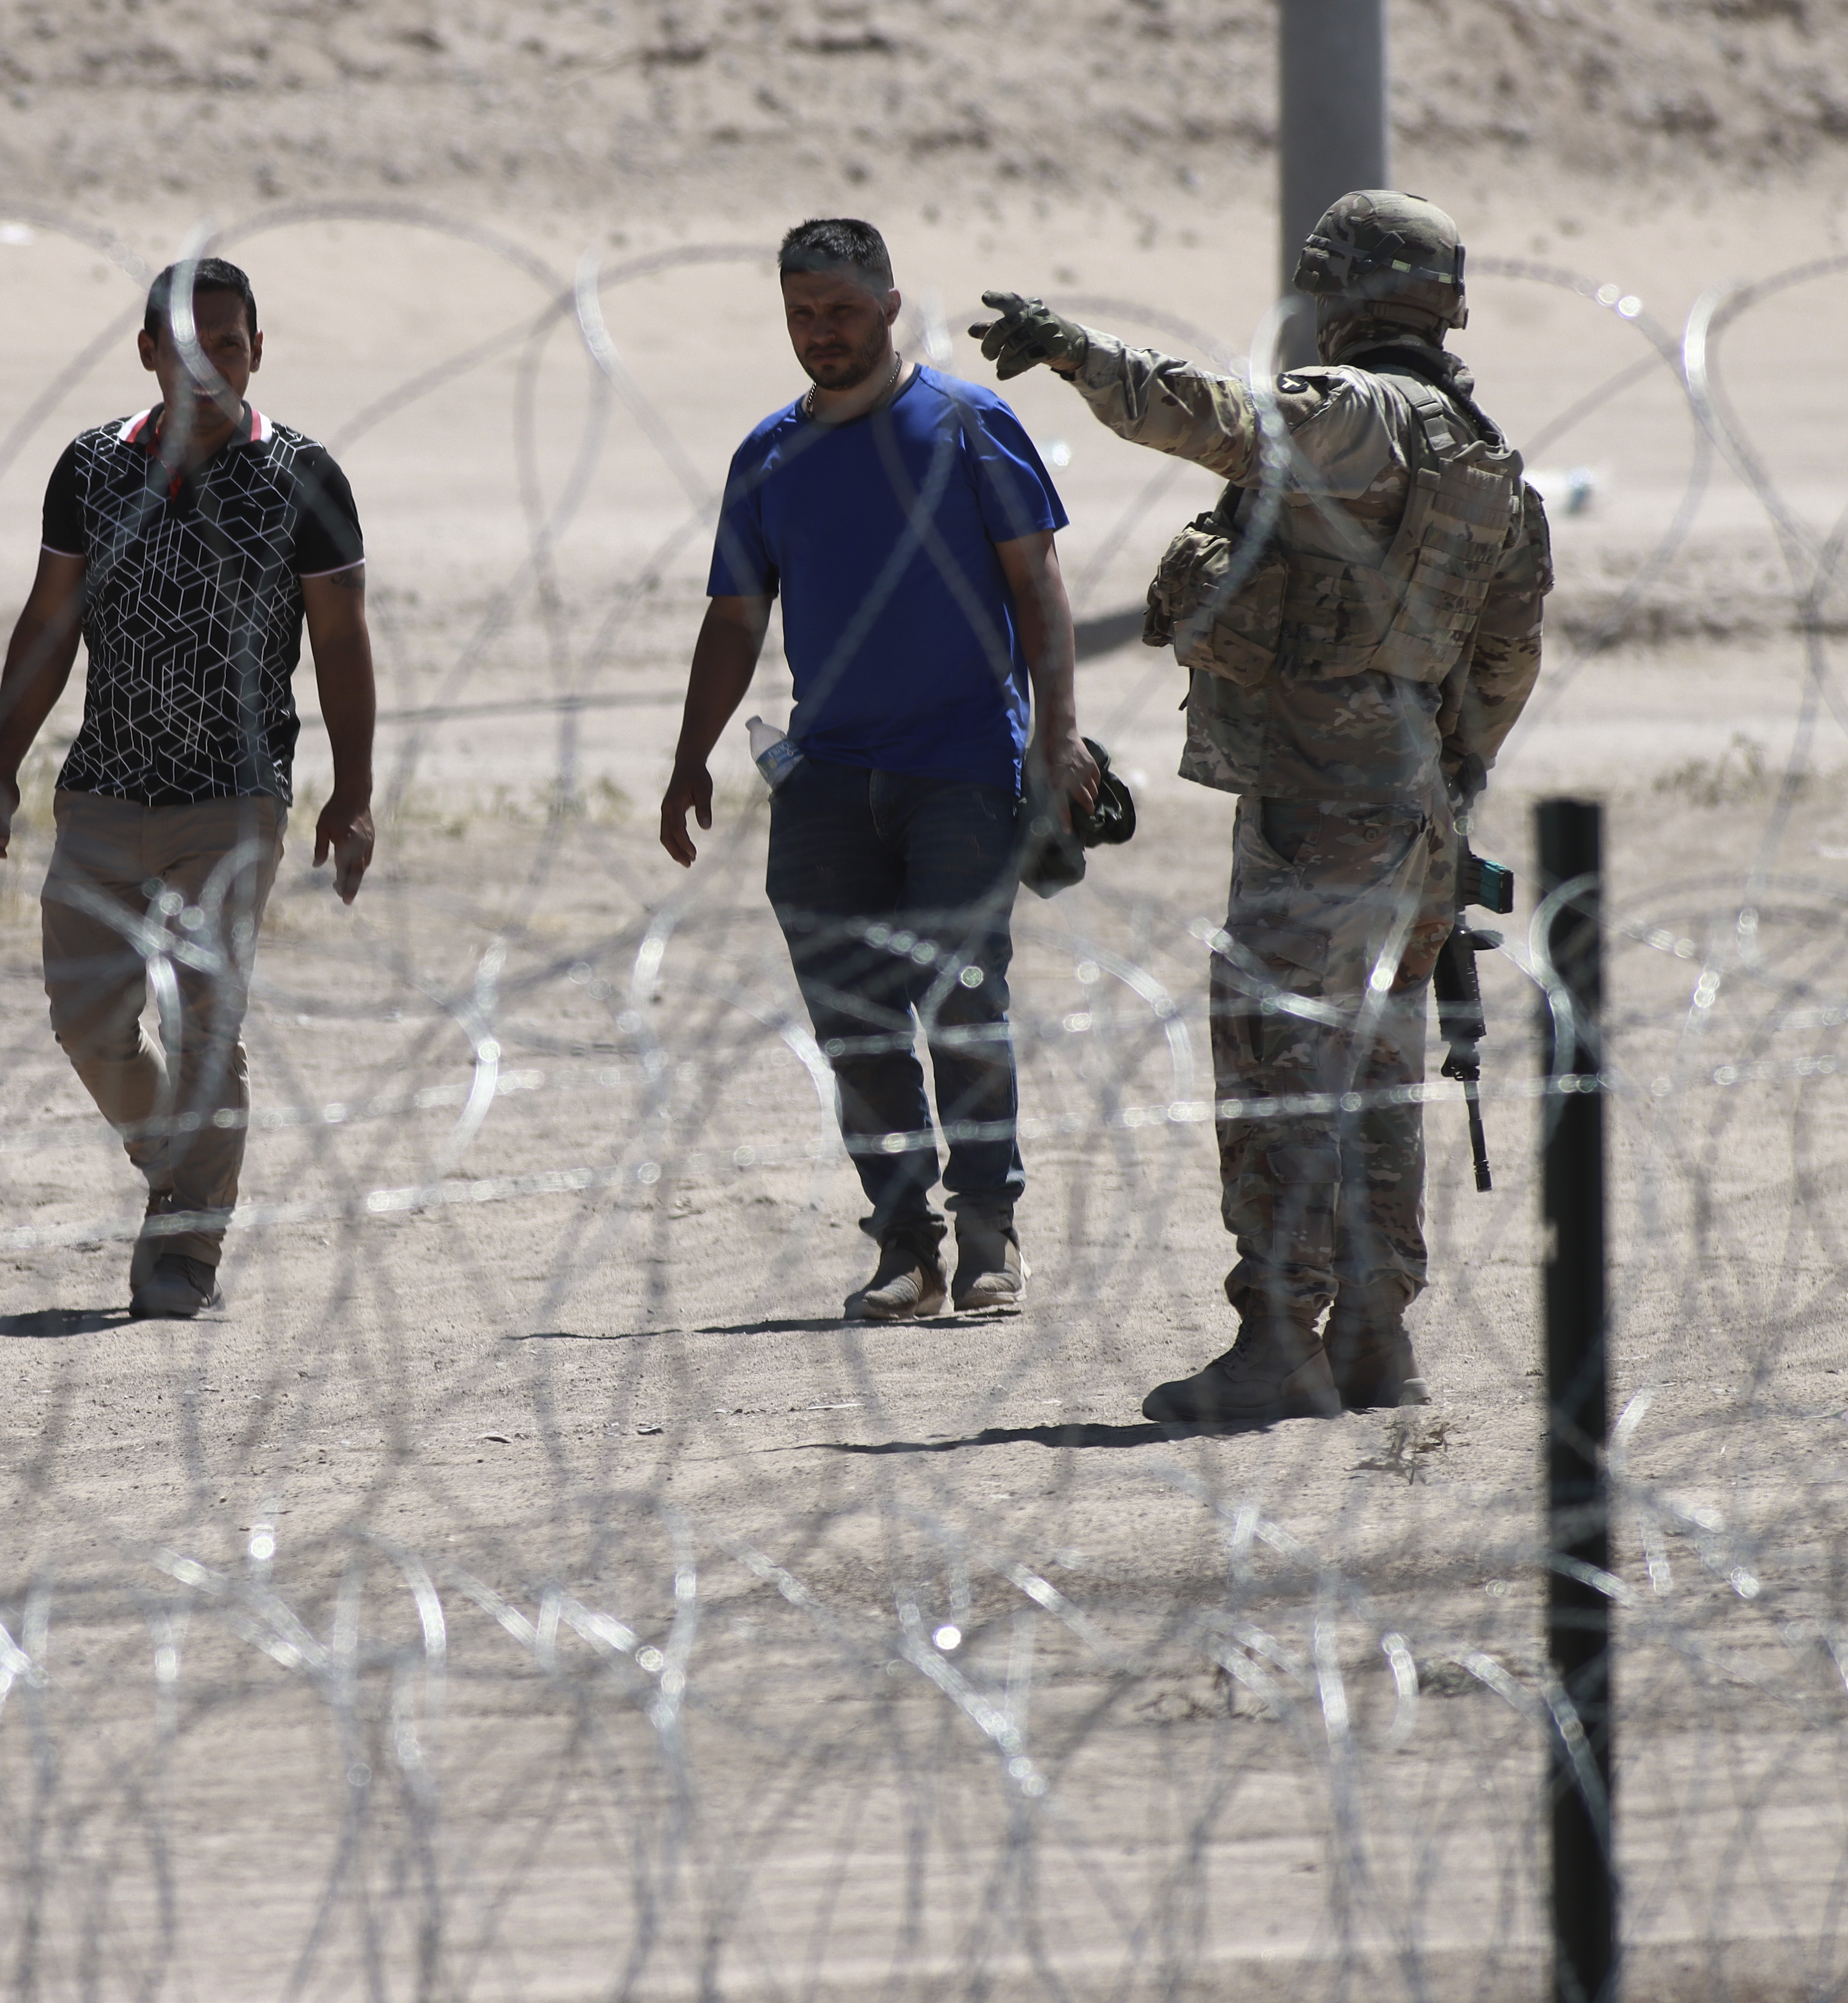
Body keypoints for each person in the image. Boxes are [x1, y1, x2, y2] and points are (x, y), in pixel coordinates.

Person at [971, 189, 1551, 1425]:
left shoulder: (1354, 414)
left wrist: (1076, 353)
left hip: (1314, 805)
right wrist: (1451, 779)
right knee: (1379, 1072)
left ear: (1335, 292)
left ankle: (1281, 1338)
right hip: (1411, 817)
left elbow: (1224, 422)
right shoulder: (1485, 457)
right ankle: (1378, 1340)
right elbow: (1509, 657)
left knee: (1279, 1059)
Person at [660, 217, 1097, 1323]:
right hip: (827, 779)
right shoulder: (768, 454)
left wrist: (1058, 736)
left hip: (959, 766)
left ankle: (992, 1233)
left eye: (842, 312)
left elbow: (1039, 586)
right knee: (855, 1023)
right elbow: (735, 618)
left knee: (962, 1001)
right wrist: (688, 758)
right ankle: (906, 1243)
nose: (822, 334)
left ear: (890, 305)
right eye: (803, 315)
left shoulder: (966, 423)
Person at [0, 256, 376, 1321]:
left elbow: (339, 638)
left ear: (257, 347)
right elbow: (49, 621)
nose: (211, 369)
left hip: (236, 794)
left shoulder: (302, 477)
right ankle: (184, 1175)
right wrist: (1, 767)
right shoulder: (92, 466)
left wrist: (355, 789)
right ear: (149, 353)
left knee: (207, 1020)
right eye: (188, 350)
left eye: (231, 346)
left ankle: (186, 1244)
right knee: (87, 1016)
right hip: (105, 783)